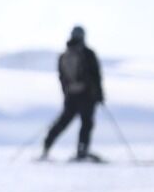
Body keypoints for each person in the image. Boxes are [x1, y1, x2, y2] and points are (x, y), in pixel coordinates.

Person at [40, 25, 105, 162]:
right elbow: (96, 75)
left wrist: (66, 94)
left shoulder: (64, 55)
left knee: (63, 122)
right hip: (87, 96)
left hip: (71, 96)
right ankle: (82, 151)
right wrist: (99, 94)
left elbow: (62, 77)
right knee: (86, 123)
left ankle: (47, 144)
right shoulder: (88, 53)